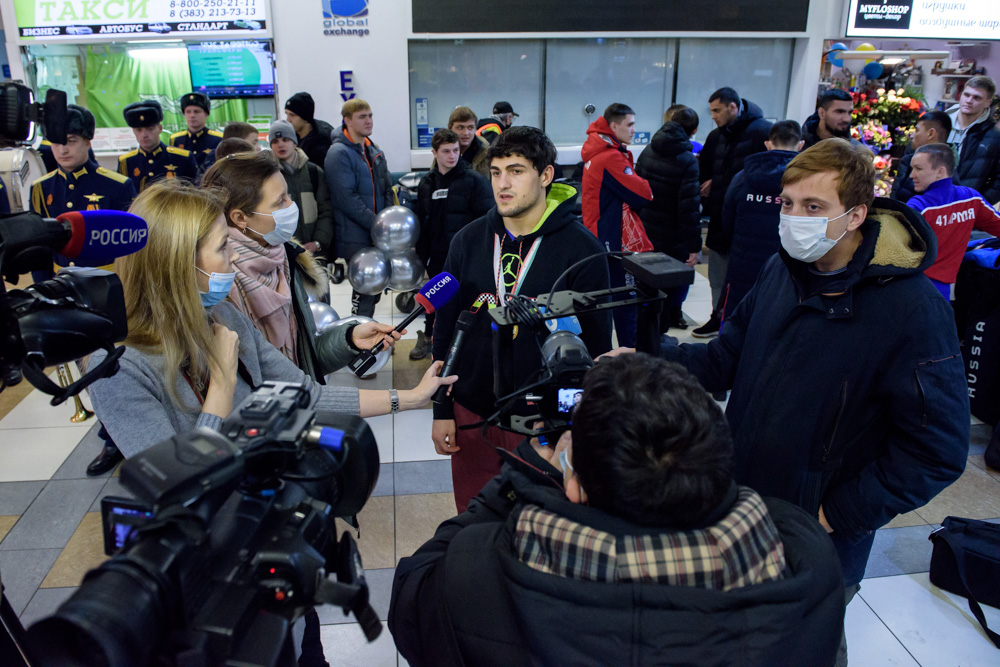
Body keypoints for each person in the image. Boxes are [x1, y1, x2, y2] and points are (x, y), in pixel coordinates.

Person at [628, 138, 968, 666]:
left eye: (814, 208)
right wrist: (647, 357)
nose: (794, 220)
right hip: (744, 507)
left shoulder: (913, 310)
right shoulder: (780, 271)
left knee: (807, 647)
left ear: (856, 215)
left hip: (822, 536)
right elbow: (724, 361)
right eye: (788, 205)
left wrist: (838, 512)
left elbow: (937, 450)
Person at [390, 354, 846, 666]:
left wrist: (516, 480)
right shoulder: (803, 553)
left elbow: (411, 598)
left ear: (575, 484)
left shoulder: (477, 572)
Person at [86, 179, 455, 459]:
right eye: (221, 246)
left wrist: (410, 398)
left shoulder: (221, 315)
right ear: (177, 265)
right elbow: (173, 485)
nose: (232, 256)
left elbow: (305, 395)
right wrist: (222, 385)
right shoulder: (116, 369)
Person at [431, 126, 612, 513]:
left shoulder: (583, 250)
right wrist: (442, 409)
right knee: (475, 519)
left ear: (546, 175)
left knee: (541, 524)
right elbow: (444, 329)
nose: (503, 184)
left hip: (544, 422)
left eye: (516, 171)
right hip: (472, 409)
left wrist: (581, 429)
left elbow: (596, 352)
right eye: (496, 172)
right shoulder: (467, 240)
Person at [31, 104, 138, 477]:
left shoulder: (116, 184)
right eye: (56, 142)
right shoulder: (41, 189)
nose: (62, 149)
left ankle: (116, 437)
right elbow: (41, 249)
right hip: (65, 288)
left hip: (111, 289)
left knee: (115, 367)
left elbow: (133, 246)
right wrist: (41, 294)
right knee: (83, 364)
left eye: (71, 141)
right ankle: (110, 428)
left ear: (88, 141)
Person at [201, 151, 337, 381]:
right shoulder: (218, 283)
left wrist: (350, 339)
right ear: (240, 218)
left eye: (288, 195)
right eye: (280, 201)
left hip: (296, 399)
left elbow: (304, 354)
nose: (291, 205)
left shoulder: (284, 256)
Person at [409, 128, 494, 360]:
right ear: (434, 153)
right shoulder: (427, 182)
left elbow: (487, 220)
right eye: (446, 151)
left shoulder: (474, 181)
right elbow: (422, 220)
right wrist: (420, 253)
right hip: (435, 255)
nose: (452, 156)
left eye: (456, 150)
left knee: (462, 303)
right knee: (433, 300)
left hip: (465, 257)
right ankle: (429, 338)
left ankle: (464, 346)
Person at [695, 87, 772, 338]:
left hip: (748, 221)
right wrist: (706, 182)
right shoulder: (717, 136)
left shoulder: (762, 132)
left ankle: (741, 328)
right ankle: (718, 319)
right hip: (719, 216)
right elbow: (705, 166)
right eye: (711, 112)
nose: (713, 116)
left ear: (733, 107)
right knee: (716, 276)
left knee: (744, 280)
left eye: (717, 110)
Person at [581, 102, 653, 348]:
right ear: (613, 125)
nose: (634, 130)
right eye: (630, 124)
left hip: (600, 236)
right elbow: (643, 194)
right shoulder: (610, 157)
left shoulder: (598, 150)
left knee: (612, 301)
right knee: (626, 303)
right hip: (613, 242)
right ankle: (629, 361)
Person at [719, 119, 804, 322]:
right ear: (801, 146)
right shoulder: (805, 182)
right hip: (786, 269)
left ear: (768, 144)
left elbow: (726, 222)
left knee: (736, 325)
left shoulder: (742, 177)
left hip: (742, 263)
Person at [324, 99, 395, 317]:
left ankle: (368, 333)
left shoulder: (372, 149)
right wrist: (377, 224)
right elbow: (346, 199)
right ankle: (358, 337)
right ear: (347, 121)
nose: (368, 121)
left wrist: (387, 220)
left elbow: (386, 189)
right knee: (364, 289)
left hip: (376, 232)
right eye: (362, 117)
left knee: (375, 288)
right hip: (355, 235)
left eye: (370, 115)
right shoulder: (339, 153)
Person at [635, 105, 701, 330]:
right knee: (678, 278)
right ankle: (670, 318)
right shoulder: (688, 160)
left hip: (647, 228)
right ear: (693, 131)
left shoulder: (647, 150)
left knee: (649, 281)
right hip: (674, 235)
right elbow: (689, 208)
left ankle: (652, 322)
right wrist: (694, 246)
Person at [906, 143, 1000, 299]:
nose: (911, 175)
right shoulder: (971, 198)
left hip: (915, 287)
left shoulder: (920, 206)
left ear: (940, 172)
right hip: (948, 290)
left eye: (918, 169)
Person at [268, 120, 334, 261]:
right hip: (283, 254)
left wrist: (318, 242)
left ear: (295, 142)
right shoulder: (268, 177)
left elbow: (326, 210)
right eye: (275, 141)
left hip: (314, 254)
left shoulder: (314, 172)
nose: (280, 144)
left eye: (285, 139)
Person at [118, 100, 197, 193]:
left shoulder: (182, 158)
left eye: (150, 129)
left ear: (160, 128)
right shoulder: (127, 161)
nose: (144, 135)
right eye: (138, 130)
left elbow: (193, 193)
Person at [947, 75, 1000, 204]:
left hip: (966, 209)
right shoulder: (939, 123)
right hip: (928, 203)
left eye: (977, 97)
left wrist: (978, 204)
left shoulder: (994, 136)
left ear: (988, 102)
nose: (969, 100)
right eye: (966, 95)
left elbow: (998, 181)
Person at [891, 110, 953, 204]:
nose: (912, 135)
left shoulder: (948, 172)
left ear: (931, 133)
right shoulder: (908, 158)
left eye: (917, 130)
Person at [169, 92, 223, 172]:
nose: (192, 115)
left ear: (206, 114)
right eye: (188, 112)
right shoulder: (176, 139)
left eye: (196, 111)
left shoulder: (218, 139)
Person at [285, 92, 335, 168]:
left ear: (305, 118)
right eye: (287, 114)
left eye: (292, 115)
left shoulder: (321, 146)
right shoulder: (292, 139)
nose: (288, 120)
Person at [448, 106, 490, 177]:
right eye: (460, 127)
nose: (466, 133)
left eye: (470, 128)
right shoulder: (443, 151)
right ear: (450, 129)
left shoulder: (486, 152)